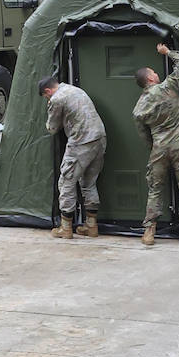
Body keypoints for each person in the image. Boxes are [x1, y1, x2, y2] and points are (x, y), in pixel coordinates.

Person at [133, 42, 179, 247]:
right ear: (151, 78)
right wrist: (166, 52)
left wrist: (154, 147)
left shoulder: (139, 107)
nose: (156, 73)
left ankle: (149, 233)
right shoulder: (168, 87)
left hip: (159, 149)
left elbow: (143, 133)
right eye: (153, 72)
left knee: (155, 189)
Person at [38, 76, 107, 240]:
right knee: (88, 183)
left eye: (45, 96)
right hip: (100, 138)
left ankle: (66, 228)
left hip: (81, 142)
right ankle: (91, 227)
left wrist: (51, 115)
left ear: (47, 91)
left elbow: (52, 128)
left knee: (66, 182)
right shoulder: (75, 90)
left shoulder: (57, 98)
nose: (47, 98)